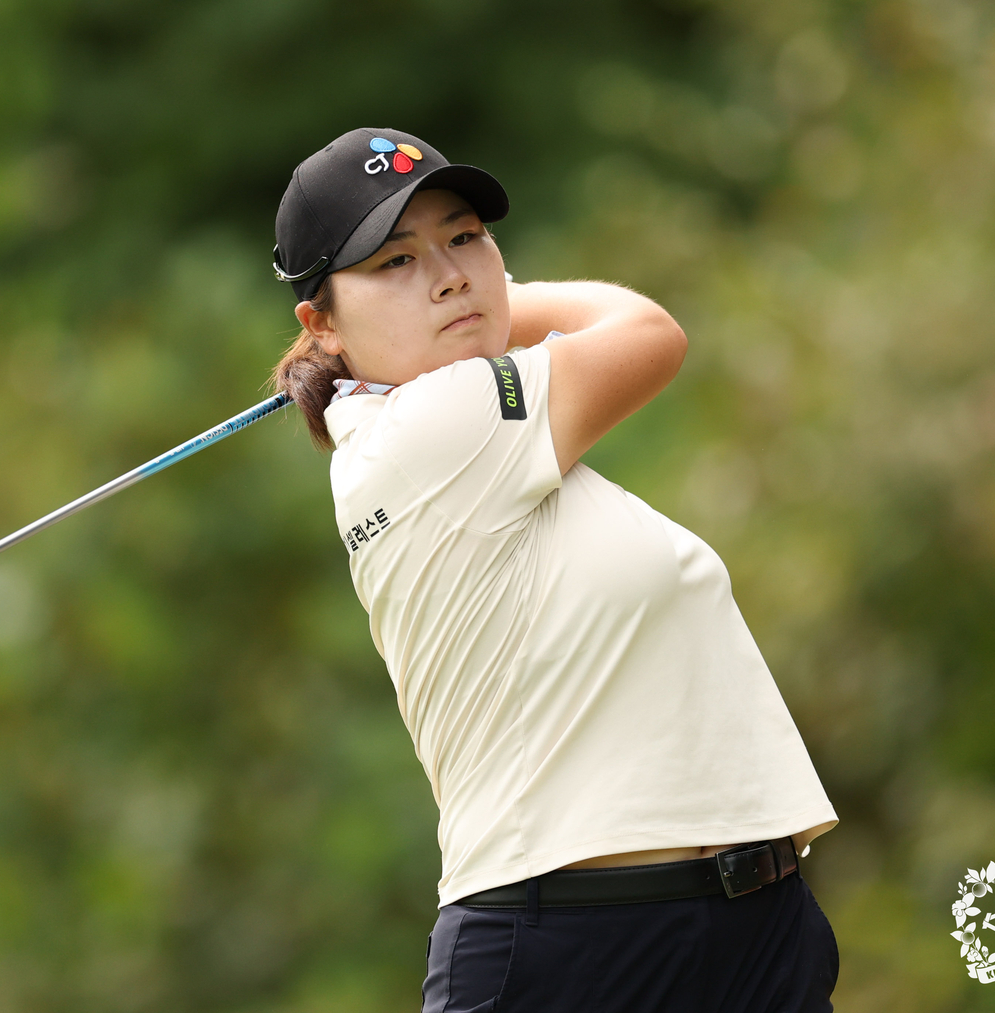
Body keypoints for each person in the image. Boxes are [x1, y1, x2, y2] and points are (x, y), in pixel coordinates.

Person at [270, 127, 839, 1013]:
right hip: (574, 950)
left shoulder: (484, 450)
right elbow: (647, 334)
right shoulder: (438, 426)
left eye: (464, 238)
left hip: (744, 932)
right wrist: (502, 300)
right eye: (393, 261)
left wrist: (463, 306)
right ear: (321, 324)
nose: (450, 272)